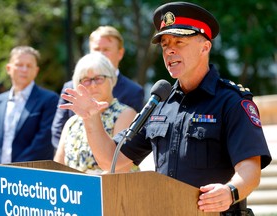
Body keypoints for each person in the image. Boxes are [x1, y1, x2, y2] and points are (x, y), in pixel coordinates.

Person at [58, 2, 272, 215]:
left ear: (205, 47)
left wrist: (230, 191)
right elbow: (112, 159)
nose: (170, 50)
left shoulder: (231, 101)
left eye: (179, 42)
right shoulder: (159, 102)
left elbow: (250, 169)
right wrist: (91, 118)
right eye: (165, 44)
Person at [51, 26, 145, 149]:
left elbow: (129, 138)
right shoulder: (71, 86)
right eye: (96, 49)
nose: (101, 54)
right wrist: (74, 156)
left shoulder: (133, 91)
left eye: (106, 49)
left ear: (120, 53)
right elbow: (58, 129)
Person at [54, 52, 138, 174]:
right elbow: (57, 167)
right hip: (72, 191)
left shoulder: (126, 114)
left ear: (112, 80)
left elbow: (120, 167)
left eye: (99, 78)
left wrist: (87, 190)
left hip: (112, 190)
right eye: (86, 80)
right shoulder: (71, 122)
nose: (93, 85)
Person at [0, 46, 58, 164]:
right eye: (19, 65)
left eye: (29, 66)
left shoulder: (49, 100)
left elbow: (43, 142)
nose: (24, 69)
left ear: (36, 71)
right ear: (8, 68)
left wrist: (16, 170)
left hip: (31, 176)